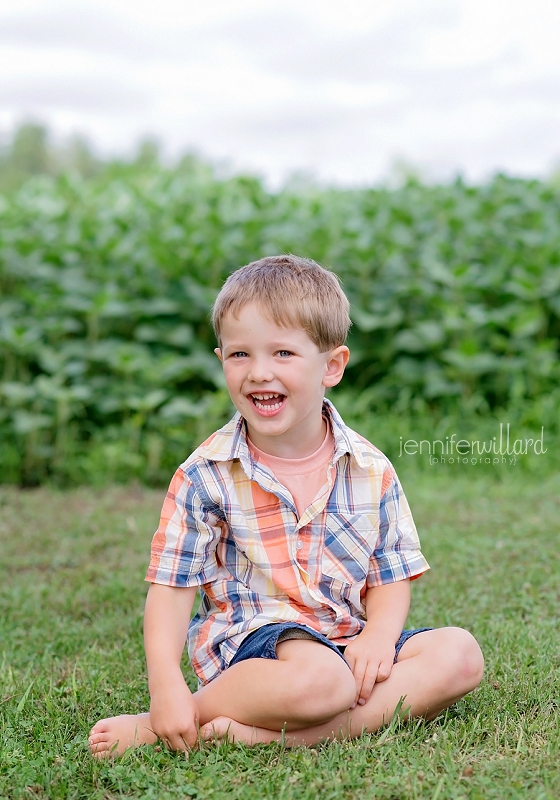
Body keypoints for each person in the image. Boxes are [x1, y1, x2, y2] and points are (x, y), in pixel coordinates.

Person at [89, 255, 484, 756]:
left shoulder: (368, 468)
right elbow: (171, 587)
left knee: (460, 655)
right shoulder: (206, 473)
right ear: (221, 359)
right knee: (323, 682)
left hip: (344, 640)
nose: (258, 373)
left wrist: (380, 638)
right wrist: (165, 686)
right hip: (256, 649)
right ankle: (181, 713)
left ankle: (287, 735)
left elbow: (391, 572)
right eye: (239, 355)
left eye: (282, 353)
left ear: (332, 366)